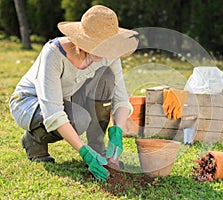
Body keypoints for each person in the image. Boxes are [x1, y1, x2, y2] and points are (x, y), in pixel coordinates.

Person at [9, 5, 138, 182]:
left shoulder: (110, 53)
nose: (107, 52)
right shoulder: (54, 54)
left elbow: (120, 98)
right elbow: (53, 113)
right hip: (30, 103)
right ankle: (34, 140)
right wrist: (83, 152)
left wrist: (117, 133)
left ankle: (98, 148)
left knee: (106, 77)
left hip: (66, 99)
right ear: (84, 40)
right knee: (79, 118)